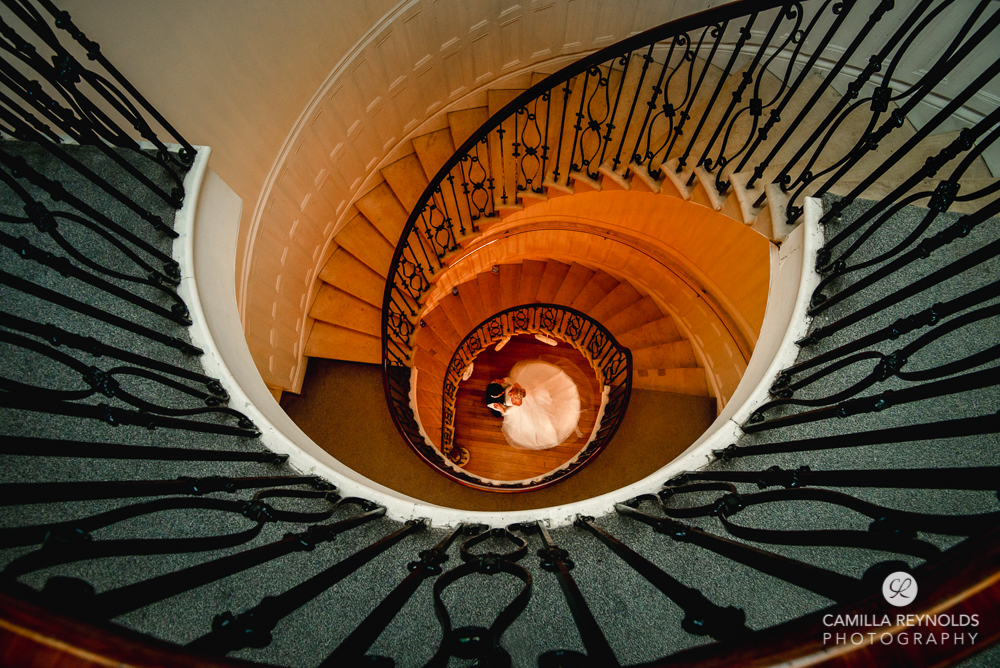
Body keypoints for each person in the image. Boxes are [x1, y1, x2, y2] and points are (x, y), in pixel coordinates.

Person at [485, 358, 582, 450]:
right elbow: (510, 382)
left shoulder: (517, 403)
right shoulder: (515, 387)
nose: (509, 393)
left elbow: (509, 411)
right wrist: (503, 381)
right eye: (510, 392)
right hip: (519, 397)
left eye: (510, 393)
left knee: (497, 413)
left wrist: (502, 410)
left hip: (512, 404)